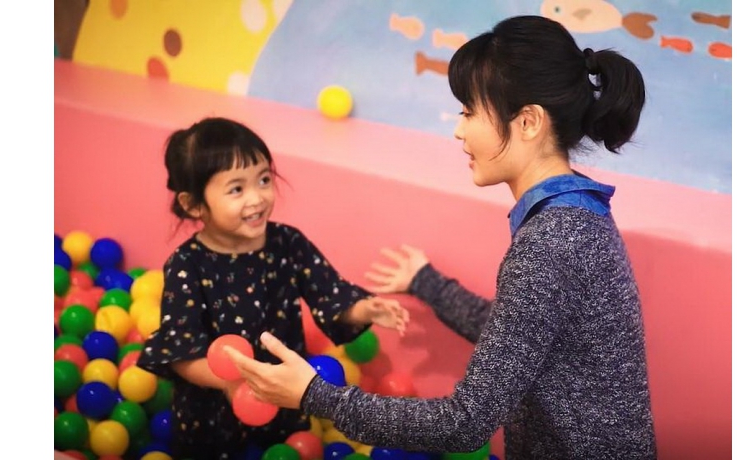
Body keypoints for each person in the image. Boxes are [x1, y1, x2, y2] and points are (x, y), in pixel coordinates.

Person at [224, 14, 658, 460]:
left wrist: (317, 396)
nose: (458, 129)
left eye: (469, 112)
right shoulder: (574, 212)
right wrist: (427, 282)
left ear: (528, 122)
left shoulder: (553, 241)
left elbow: (464, 424)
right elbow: (519, 335)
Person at [134, 117, 411, 459]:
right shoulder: (187, 264)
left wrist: (365, 308)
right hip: (212, 413)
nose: (257, 198)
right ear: (193, 205)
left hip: (283, 397)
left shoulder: (287, 242)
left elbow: (329, 293)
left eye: (263, 180)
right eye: (237, 189)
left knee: (286, 451)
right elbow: (180, 353)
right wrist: (233, 385)